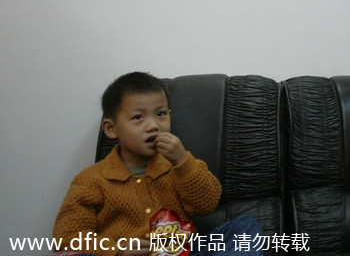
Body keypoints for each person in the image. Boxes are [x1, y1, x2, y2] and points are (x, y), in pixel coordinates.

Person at [53, 72, 264, 256]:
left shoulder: (177, 165)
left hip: (182, 252)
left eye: (161, 114)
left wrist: (183, 162)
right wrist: (116, 249)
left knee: (244, 228)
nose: (153, 125)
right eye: (138, 117)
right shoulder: (91, 180)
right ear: (111, 128)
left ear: (170, 117)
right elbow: (66, 238)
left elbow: (207, 203)